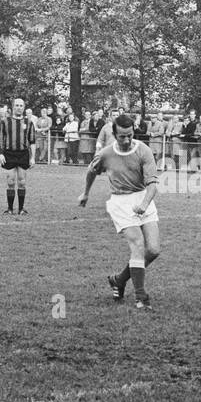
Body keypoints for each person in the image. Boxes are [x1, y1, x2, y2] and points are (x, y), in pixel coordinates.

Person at [78, 114, 160, 311]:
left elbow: (153, 185)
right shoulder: (106, 154)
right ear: (114, 134)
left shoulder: (144, 150)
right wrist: (86, 193)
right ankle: (141, 297)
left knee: (154, 250)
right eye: (122, 136)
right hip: (120, 202)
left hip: (143, 197)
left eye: (129, 135)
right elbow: (91, 172)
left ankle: (119, 279)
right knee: (138, 244)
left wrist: (144, 204)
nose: (126, 140)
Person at [0, 98, 37, 216]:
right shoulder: (5, 121)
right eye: (17, 105)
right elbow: (0, 139)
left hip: (23, 154)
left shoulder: (29, 122)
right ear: (13, 107)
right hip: (9, 154)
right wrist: (0, 153)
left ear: (24, 107)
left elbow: (33, 141)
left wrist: (33, 157)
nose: (19, 107)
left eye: (21, 105)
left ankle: (21, 209)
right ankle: (9, 209)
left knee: (22, 182)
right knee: (10, 181)